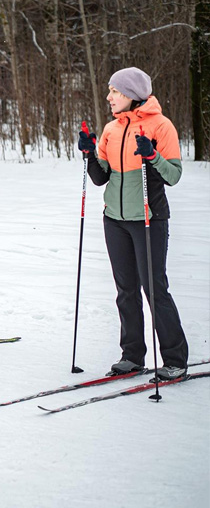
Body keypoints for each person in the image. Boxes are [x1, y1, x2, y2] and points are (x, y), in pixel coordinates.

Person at [78, 67, 189, 380]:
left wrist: (152, 156)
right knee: (125, 290)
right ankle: (132, 356)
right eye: (110, 91)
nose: (109, 97)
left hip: (148, 218)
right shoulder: (112, 130)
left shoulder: (161, 126)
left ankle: (175, 360)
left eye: (115, 91)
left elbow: (174, 175)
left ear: (132, 95)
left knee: (154, 289)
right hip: (114, 219)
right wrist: (89, 153)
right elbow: (101, 178)